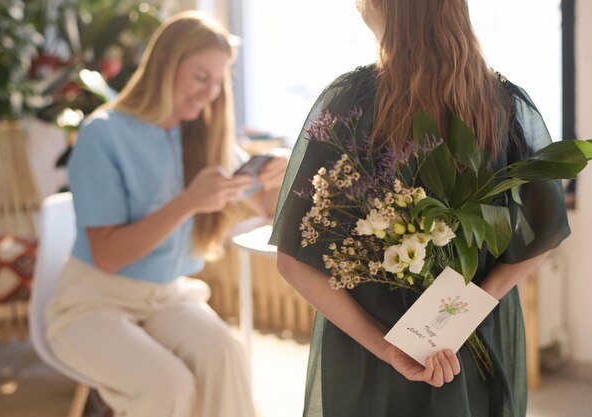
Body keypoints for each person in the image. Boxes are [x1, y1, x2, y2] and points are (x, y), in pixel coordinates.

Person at [269, 1, 570, 416]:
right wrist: (457, 318)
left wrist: (390, 349)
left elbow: (292, 261)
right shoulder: (504, 105)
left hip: (370, 353)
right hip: (467, 342)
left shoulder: (349, 105)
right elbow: (544, 233)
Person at [46, 11, 286, 417]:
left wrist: (279, 171)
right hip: (92, 302)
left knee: (225, 354)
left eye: (218, 80)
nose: (210, 93)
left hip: (167, 296)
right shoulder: (102, 134)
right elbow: (108, 256)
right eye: (200, 77)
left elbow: (261, 205)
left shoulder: (204, 134)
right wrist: (188, 201)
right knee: (167, 387)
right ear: (163, 66)